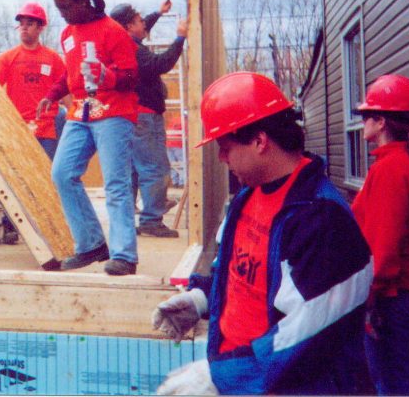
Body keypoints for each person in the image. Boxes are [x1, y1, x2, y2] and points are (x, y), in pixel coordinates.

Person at [152, 72, 373, 395]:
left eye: (225, 147)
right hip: (244, 375)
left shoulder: (321, 220)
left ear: (259, 141)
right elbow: (238, 276)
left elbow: (308, 334)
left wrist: (223, 376)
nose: (221, 158)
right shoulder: (246, 198)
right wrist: (201, 299)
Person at [37, 0, 139, 276]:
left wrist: (108, 77)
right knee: (62, 173)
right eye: (59, 7)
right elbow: (70, 76)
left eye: (67, 6)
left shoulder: (114, 32)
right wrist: (52, 95)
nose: (63, 13)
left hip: (113, 114)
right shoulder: (68, 34)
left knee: (116, 184)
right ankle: (92, 244)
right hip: (80, 113)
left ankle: (124, 255)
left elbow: (132, 77)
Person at [350, 74, 409, 395]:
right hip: (398, 296)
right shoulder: (399, 164)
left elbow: (384, 248)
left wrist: (368, 299)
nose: (362, 123)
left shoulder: (391, 169)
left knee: (393, 384)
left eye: (366, 116)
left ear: (382, 121)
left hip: (393, 300)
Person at [110, 1, 187, 238]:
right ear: (128, 26)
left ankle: (128, 221)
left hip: (131, 115)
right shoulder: (132, 49)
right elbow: (159, 64)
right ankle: (151, 221)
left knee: (133, 169)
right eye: (140, 21)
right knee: (155, 168)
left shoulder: (120, 43)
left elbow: (140, 31)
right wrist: (180, 38)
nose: (144, 24)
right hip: (145, 116)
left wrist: (159, 13)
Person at [0, 2, 66, 160]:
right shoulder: (7, 58)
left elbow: (66, 92)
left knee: (46, 177)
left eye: (29, 24)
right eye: (21, 24)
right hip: (18, 129)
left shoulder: (53, 59)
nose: (24, 28)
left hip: (47, 130)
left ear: (40, 28)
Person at [165, 114, 185, 187]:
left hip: (168, 143)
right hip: (178, 143)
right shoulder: (185, 121)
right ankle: (181, 182)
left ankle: (175, 182)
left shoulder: (174, 119)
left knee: (173, 164)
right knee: (181, 163)